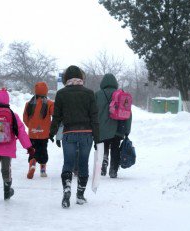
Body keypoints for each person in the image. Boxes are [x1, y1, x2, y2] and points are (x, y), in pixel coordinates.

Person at [49, 65, 100, 208]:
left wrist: (52, 133)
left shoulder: (61, 94)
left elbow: (57, 117)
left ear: (66, 78)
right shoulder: (89, 93)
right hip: (86, 134)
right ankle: (80, 195)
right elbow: (94, 117)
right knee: (83, 164)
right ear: (80, 77)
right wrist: (97, 138)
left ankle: (67, 188)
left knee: (68, 163)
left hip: (68, 133)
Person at [95, 73, 132, 178]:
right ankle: (113, 170)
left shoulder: (97, 94)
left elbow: (92, 112)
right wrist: (127, 130)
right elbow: (128, 113)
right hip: (118, 127)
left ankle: (104, 160)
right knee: (115, 148)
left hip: (101, 128)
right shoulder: (121, 94)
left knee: (103, 146)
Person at [23, 82, 54, 179]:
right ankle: (43, 170)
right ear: (46, 91)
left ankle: (32, 165)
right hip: (44, 134)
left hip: (32, 134)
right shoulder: (50, 103)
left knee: (32, 151)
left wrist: (31, 127)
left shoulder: (29, 104)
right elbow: (55, 115)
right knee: (43, 150)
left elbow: (25, 118)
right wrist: (50, 128)